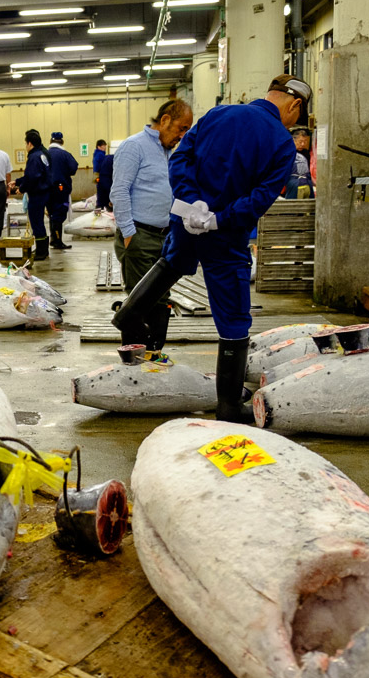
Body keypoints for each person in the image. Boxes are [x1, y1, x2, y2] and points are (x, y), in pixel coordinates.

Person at [113, 74, 306, 422]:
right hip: (226, 235)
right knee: (233, 319)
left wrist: (190, 203)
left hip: (185, 222)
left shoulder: (218, 114)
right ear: (293, 106)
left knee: (172, 262)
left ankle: (128, 313)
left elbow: (180, 158)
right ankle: (229, 405)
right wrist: (219, 218)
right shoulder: (282, 142)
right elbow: (262, 197)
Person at [108, 99, 194, 353]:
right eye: (181, 128)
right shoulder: (134, 147)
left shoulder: (169, 152)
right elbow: (119, 190)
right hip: (139, 235)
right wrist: (128, 233)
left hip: (166, 236)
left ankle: (154, 353)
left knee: (160, 297)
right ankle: (134, 360)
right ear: (165, 120)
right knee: (139, 298)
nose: (182, 135)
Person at [9, 129, 54, 261]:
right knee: (39, 222)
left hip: (37, 194)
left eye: (25, 143)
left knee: (36, 222)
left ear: (29, 144)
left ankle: (41, 251)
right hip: (44, 192)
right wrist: (17, 182)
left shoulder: (34, 157)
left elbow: (32, 177)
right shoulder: (42, 155)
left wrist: (22, 188)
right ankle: (43, 250)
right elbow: (33, 175)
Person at [47, 131, 79, 250]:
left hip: (47, 189)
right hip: (61, 189)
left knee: (51, 213)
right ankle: (58, 240)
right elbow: (73, 168)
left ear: (51, 141)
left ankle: (53, 239)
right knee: (59, 214)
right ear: (62, 142)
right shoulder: (65, 154)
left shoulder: (45, 154)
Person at [284, 126, 314, 199]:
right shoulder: (288, 153)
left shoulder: (306, 153)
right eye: (300, 142)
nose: (303, 144)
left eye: (305, 141)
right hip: (293, 184)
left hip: (307, 184)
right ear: (293, 140)